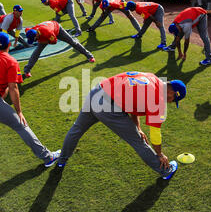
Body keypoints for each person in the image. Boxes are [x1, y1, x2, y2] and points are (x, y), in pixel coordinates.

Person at [52, 71, 186, 182]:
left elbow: (133, 105)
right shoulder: (159, 100)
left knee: (77, 129)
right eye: (174, 100)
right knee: (138, 142)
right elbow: (155, 135)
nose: (172, 102)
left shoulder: (152, 77)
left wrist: (138, 128)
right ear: (172, 93)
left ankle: (62, 160)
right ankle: (165, 170)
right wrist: (160, 154)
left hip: (96, 92)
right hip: (109, 107)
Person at [0, 32, 61, 165]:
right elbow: (13, 88)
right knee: (20, 125)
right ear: (9, 44)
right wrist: (19, 111)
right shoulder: (10, 61)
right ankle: (48, 157)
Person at [23, 20, 95, 78]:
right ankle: (27, 70)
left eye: (35, 39)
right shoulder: (29, 30)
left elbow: (54, 41)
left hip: (57, 29)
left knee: (73, 42)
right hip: (46, 28)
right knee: (37, 52)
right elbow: (27, 30)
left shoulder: (47, 33)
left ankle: (89, 56)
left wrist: (46, 41)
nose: (34, 41)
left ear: (37, 34)